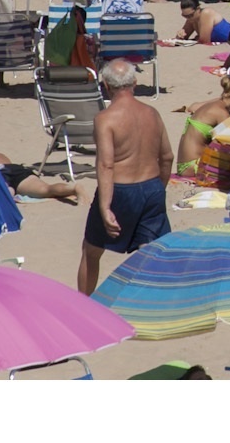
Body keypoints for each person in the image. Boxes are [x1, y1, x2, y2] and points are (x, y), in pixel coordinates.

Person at [77, 60, 173, 295]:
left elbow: (106, 164)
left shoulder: (105, 119)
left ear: (106, 86)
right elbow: (167, 157)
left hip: (120, 190)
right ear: (135, 83)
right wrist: (159, 189)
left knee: (92, 250)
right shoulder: (152, 114)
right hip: (152, 186)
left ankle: (84, 303)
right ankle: (150, 302)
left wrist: (105, 206)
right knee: (149, 251)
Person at [174, 77, 230, 174]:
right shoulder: (222, 113)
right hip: (194, 166)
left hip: (184, 165)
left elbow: (192, 107)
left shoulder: (213, 105)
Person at [0, 152, 79, 203]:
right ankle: (73, 188)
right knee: (47, 189)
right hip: (18, 170)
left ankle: (7, 191)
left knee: (0, 192)